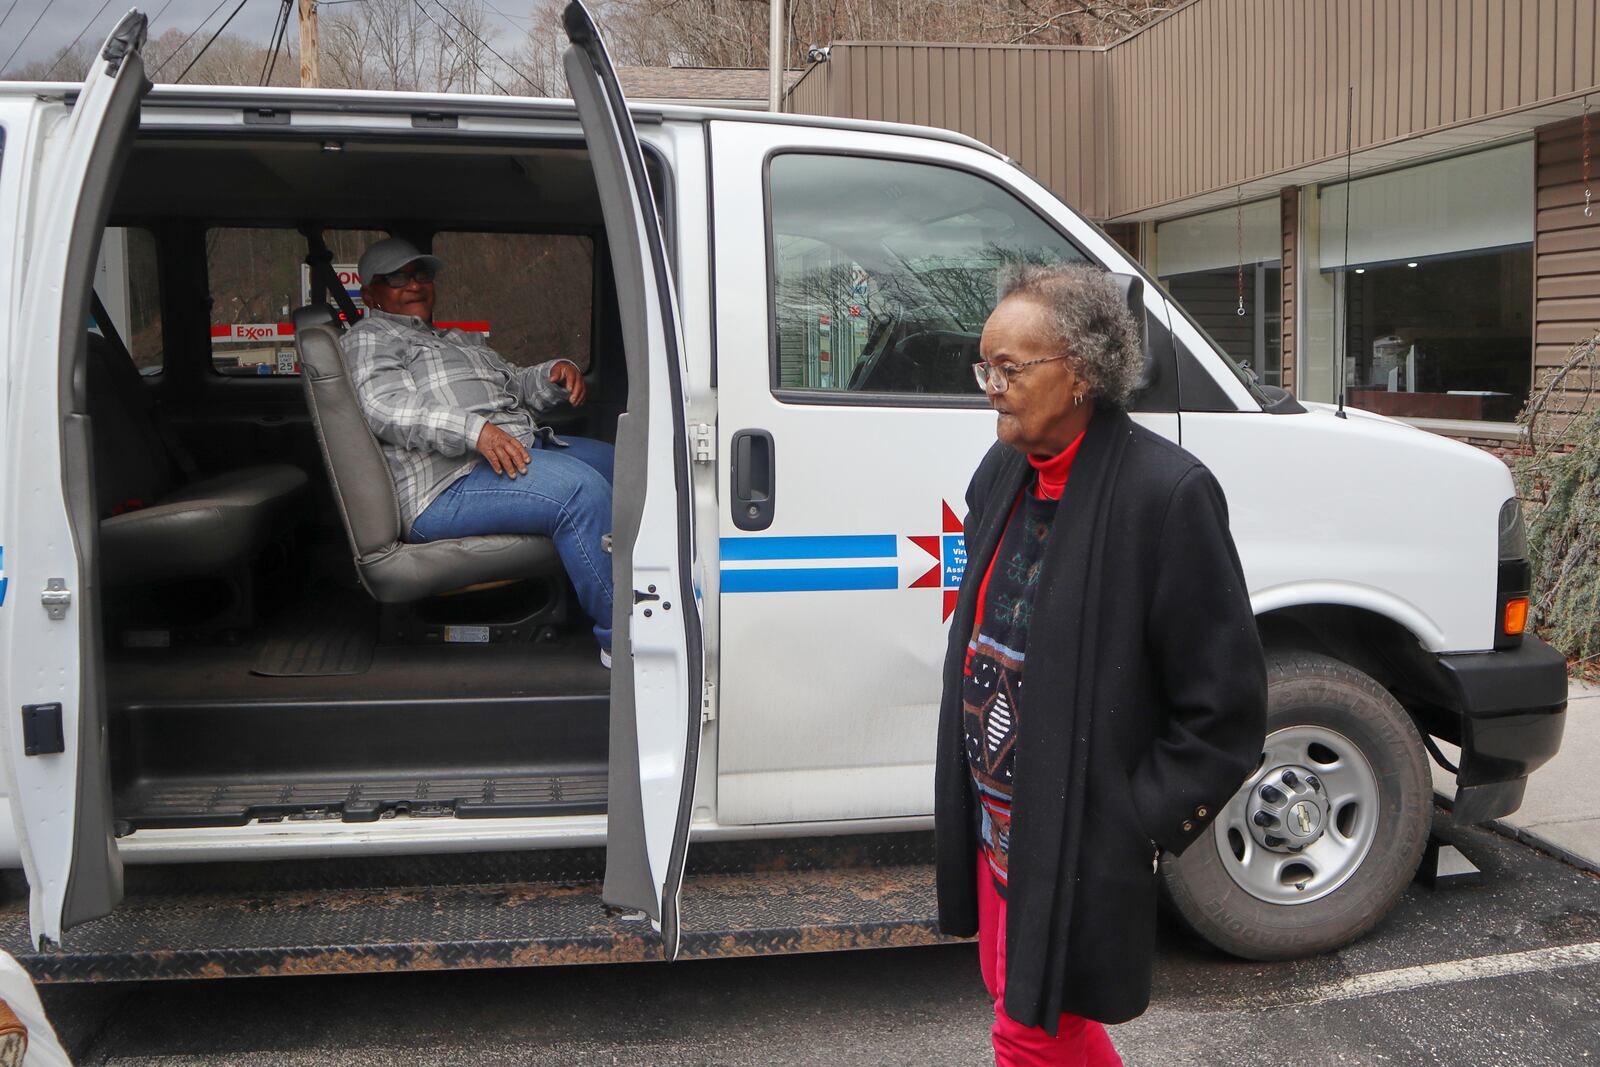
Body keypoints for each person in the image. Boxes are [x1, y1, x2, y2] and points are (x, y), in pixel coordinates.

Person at [935, 263, 1268, 1065]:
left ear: (1081, 372)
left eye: (1011, 368)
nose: (991, 387)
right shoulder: (1000, 473)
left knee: (1029, 1028)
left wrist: (1131, 819)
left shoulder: (1167, 493)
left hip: (1074, 836)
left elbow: (1224, 711)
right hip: (998, 820)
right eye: (985, 366)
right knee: (1029, 1004)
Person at [342, 237, 616, 665]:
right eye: (397, 278)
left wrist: (552, 374)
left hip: (516, 449)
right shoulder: (370, 337)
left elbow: (514, 384)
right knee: (580, 492)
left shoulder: (457, 339)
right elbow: (385, 407)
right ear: (370, 294)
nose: (414, 285)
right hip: (448, 483)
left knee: (630, 466)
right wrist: (475, 431)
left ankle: (652, 593)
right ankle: (626, 641)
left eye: (422, 275)